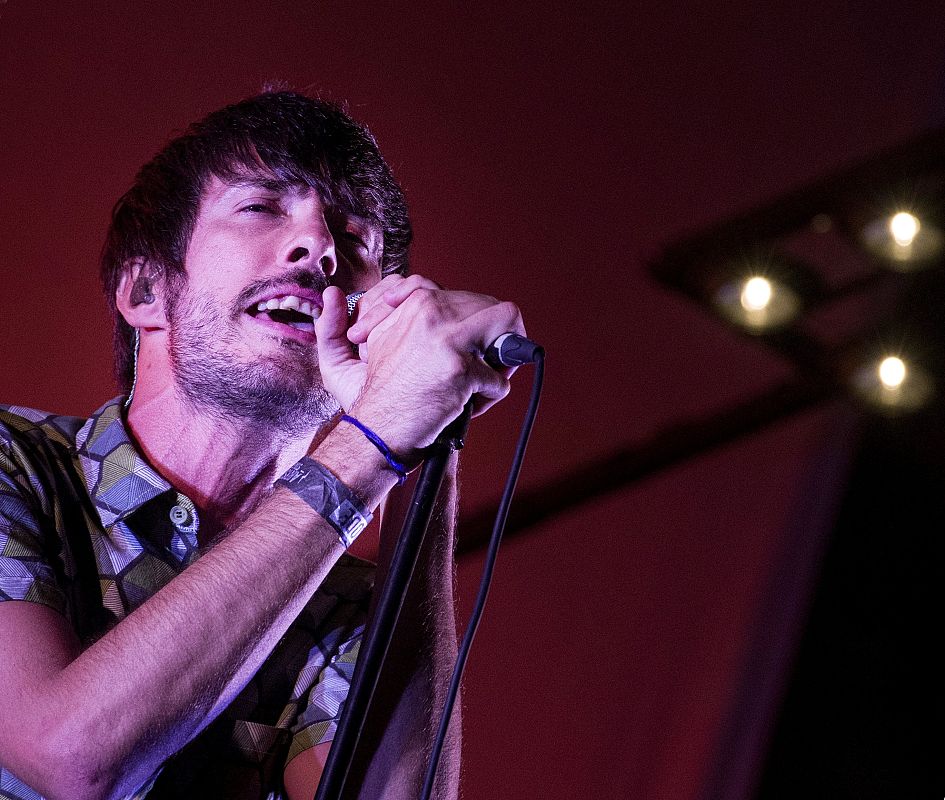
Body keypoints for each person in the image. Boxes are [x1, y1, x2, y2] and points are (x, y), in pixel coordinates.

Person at [0, 91, 525, 800]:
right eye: (261, 207)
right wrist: (371, 444)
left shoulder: (347, 606)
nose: (321, 247)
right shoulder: (15, 464)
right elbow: (69, 758)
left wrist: (432, 426)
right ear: (147, 290)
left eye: (356, 235)